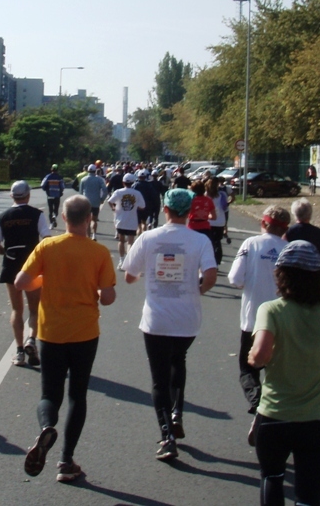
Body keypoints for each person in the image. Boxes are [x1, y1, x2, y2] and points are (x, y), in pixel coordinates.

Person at [249, 240, 320, 506]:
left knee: (272, 477)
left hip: (275, 414)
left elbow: (260, 356)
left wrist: (254, 356)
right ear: (319, 278)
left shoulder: (271, 310)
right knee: (309, 494)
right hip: (317, 419)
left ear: (282, 275)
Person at [16, 195, 116, 483]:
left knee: (49, 394)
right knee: (77, 395)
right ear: (89, 219)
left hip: (51, 331)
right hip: (84, 332)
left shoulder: (47, 246)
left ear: (63, 218)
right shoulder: (98, 252)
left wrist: (44, 280)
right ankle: (65, 460)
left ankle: (47, 426)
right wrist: (97, 292)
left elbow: (23, 282)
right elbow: (107, 297)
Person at [123, 188, 217, 461]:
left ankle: (167, 436)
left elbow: (129, 276)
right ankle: (177, 412)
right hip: (187, 317)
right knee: (179, 361)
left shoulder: (148, 238)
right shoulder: (200, 241)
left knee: (159, 379)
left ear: (165, 209)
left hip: (156, 318)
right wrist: (196, 291)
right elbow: (210, 276)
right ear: (189, 212)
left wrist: (146, 277)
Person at [227, 205, 290, 416]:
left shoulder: (251, 244)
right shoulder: (290, 248)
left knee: (248, 369)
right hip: (283, 321)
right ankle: (276, 408)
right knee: (277, 370)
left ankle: (257, 401)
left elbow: (235, 278)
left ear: (263, 224)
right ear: (285, 229)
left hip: (253, 319)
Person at [0, 180, 52, 366]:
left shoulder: (2, 217)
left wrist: (6, 253)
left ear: (11, 196)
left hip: (11, 266)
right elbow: (47, 240)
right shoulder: (37, 215)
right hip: (32, 267)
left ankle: (19, 352)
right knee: (35, 309)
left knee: (17, 309)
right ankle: (31, 339)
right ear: (28, 195)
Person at [286, 199, 320, 269]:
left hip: (293, 274)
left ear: (294, 214)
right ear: (310, 214)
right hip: (314, 276)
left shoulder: (288, 233)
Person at [108, 173, 146, 269]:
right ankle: (128, 261)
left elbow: (110, 201)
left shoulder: (118, 192)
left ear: (123, 182)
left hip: (120, 220)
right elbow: (143, 206)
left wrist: (113, 208)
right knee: (130, 242)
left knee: (121, 241)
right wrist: (135, 207)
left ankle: (121, 261)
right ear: (133, 182)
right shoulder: (137, 193)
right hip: (132, 221)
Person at [79, 164, 108, 240]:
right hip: (96, 201)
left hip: (86, 202)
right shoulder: (99, 180)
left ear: (88, 170)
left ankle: (88, 237)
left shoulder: (83, 179)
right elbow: (105, 190)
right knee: (94, 219)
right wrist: (102, 199)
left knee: (87, 220)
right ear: (95, 171)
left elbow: (80, 192)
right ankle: (94, 234)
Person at [187, 180, 216, 244]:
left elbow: (185, 214)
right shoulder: (208, 200)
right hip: (205, 227)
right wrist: (204, 215)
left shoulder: (190, 200)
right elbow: (214, 217)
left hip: (192, 226)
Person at [207, 177, 227, 265]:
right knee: (218, 241)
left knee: (210, 242)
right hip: (220, 222)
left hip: (209, 221)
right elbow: (225, 208)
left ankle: (210, 260)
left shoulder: (206, 196)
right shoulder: (222, 195)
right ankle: (217, 260)